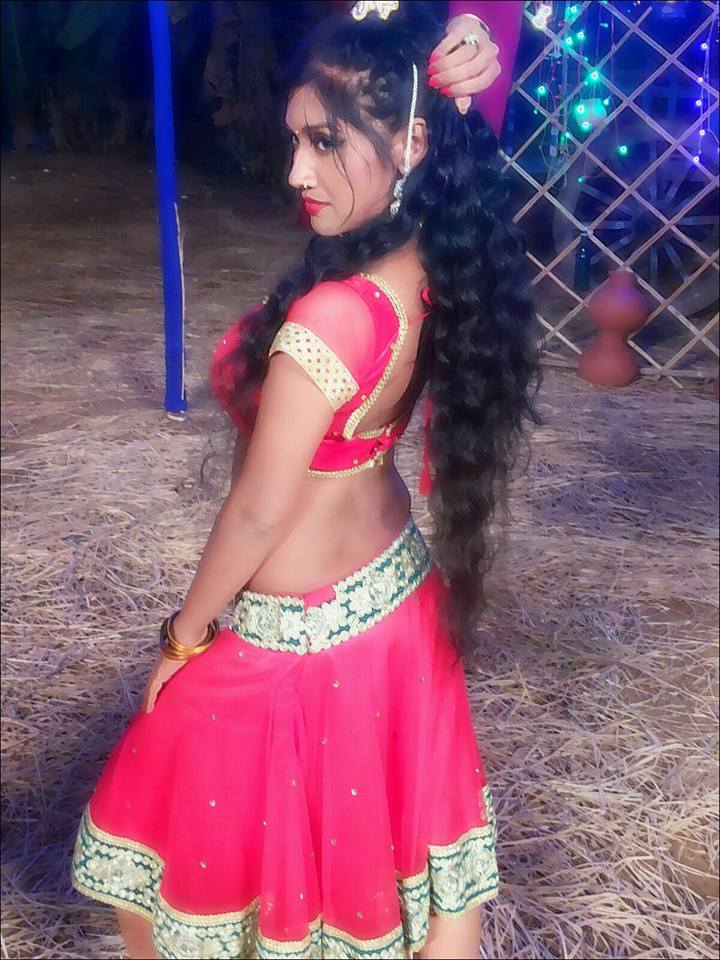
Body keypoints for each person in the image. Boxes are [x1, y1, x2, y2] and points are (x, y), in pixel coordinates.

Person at [70, 3, 542, 959]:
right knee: (421, 860)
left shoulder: (333, 315)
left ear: (411, 144)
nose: (296, 171)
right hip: (398, 598)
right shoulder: (430, 261)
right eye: (295, 140)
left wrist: (184, 636)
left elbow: (258, 510)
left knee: (155, 823)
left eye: (325, 142)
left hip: (302, 641)